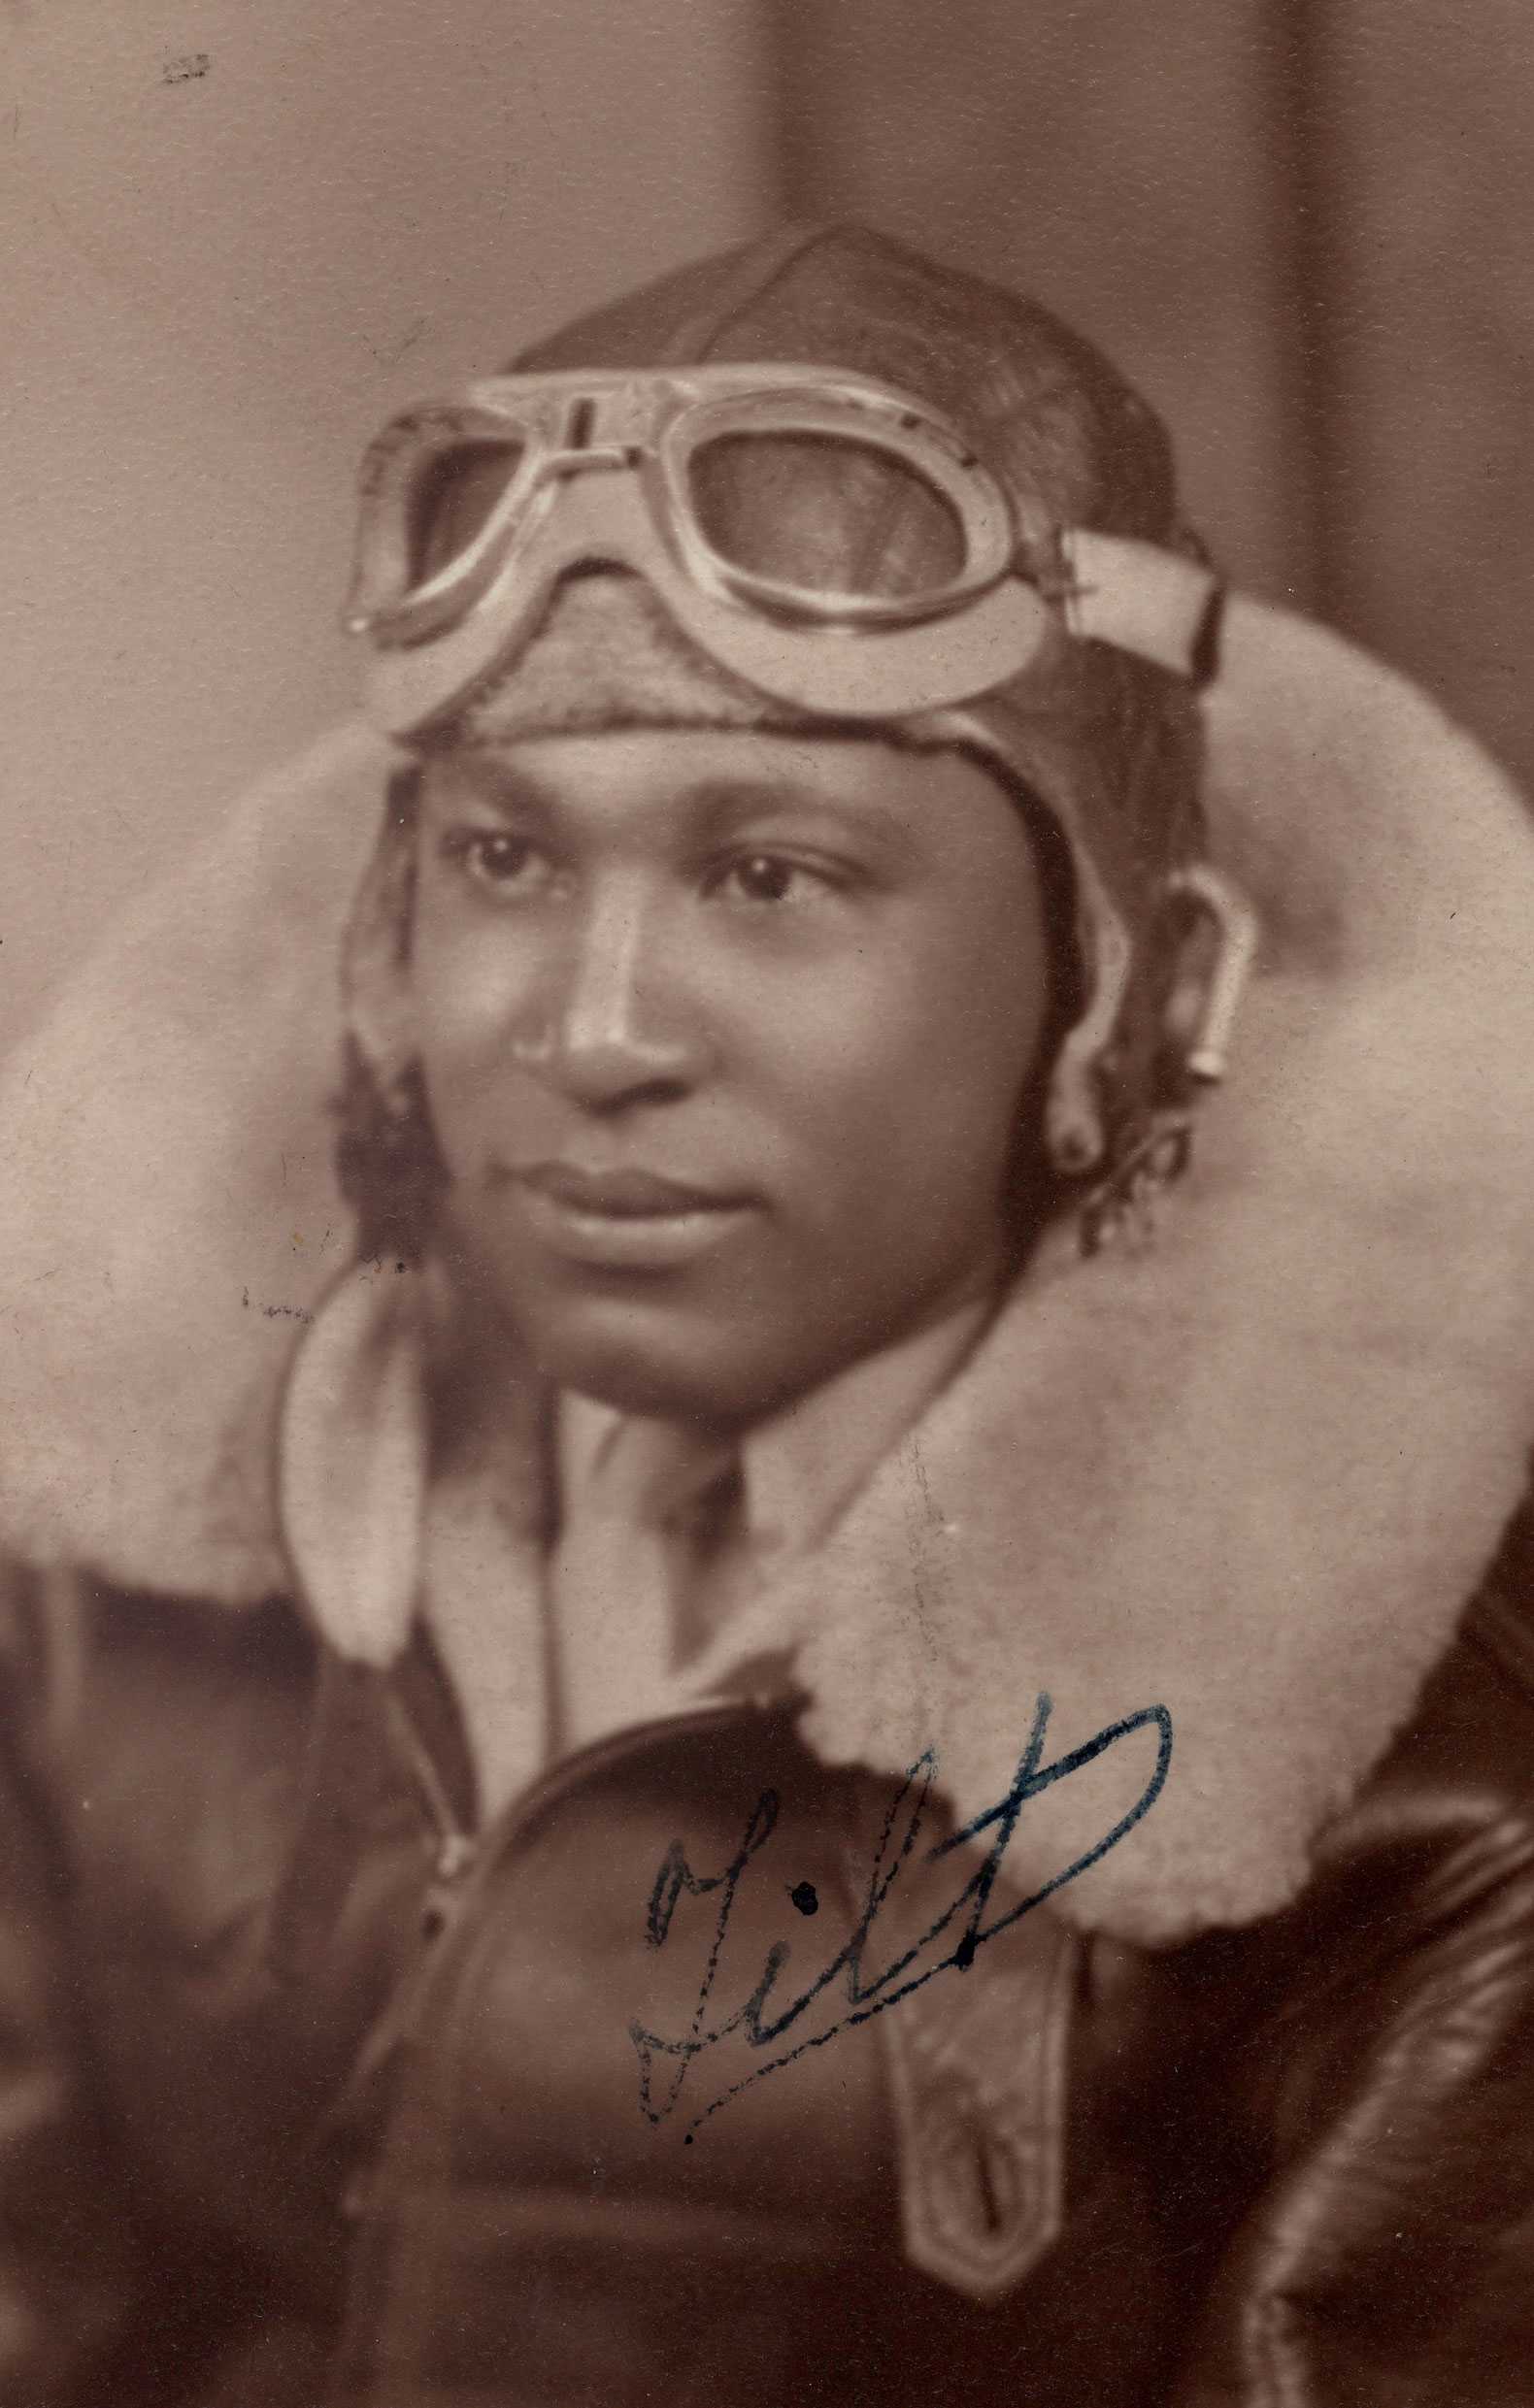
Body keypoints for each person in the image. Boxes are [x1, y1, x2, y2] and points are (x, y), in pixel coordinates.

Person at [2, 221, 1534, 2407]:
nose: (595, 1031)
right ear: (376, 953)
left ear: (1134, 999)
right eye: (506, 861)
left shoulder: (1453, 1831)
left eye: (768, 876)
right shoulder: (96, 1585)